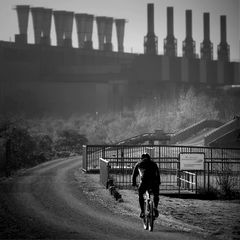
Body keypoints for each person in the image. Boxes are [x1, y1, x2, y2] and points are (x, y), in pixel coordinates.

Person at [132, 153, 160, 218]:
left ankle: (142, 211)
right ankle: (155, 207)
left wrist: (134, 183)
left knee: (141, 195)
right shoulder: (154, 164)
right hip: (154, 182)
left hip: (144, 182)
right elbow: (158, 175)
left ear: (141, 158)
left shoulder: (138, 164)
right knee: (156, 195)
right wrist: (158, 183)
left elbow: (134, 175)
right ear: (149, 158)